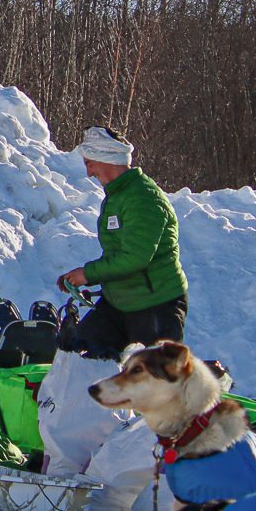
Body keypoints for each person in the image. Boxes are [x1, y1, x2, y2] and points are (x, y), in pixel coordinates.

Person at [56, 125, 188, 359]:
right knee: (80, 355)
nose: (89, 173)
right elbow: (117, 253)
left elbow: (135, 258)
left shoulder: (143, 198)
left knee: (153, 383)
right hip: (120, 302)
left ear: (106, 159)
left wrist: (87, 274)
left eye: (89, 163)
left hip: (155, 305)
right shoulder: (118, 196)